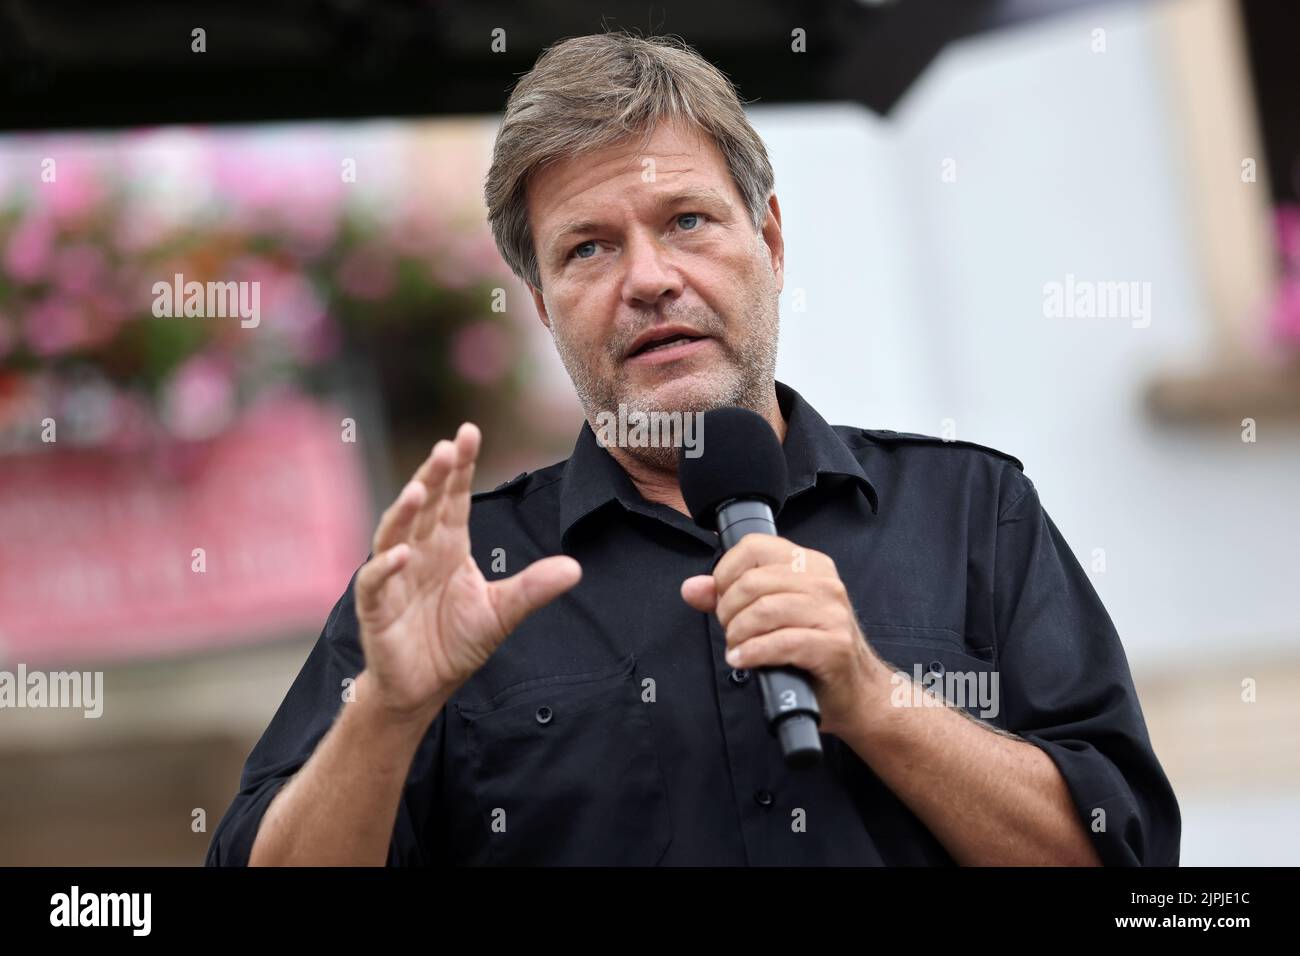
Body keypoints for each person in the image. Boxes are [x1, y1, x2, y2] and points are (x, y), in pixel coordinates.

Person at [206, 31, 1180, 866]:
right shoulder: (455, 575)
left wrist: (876, 699)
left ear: (770, 241)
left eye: (686, 221)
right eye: (587, 247)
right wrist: (385, 712)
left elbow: (1123, 856)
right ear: (543, 306)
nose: (649, 278)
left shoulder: (973, 513)